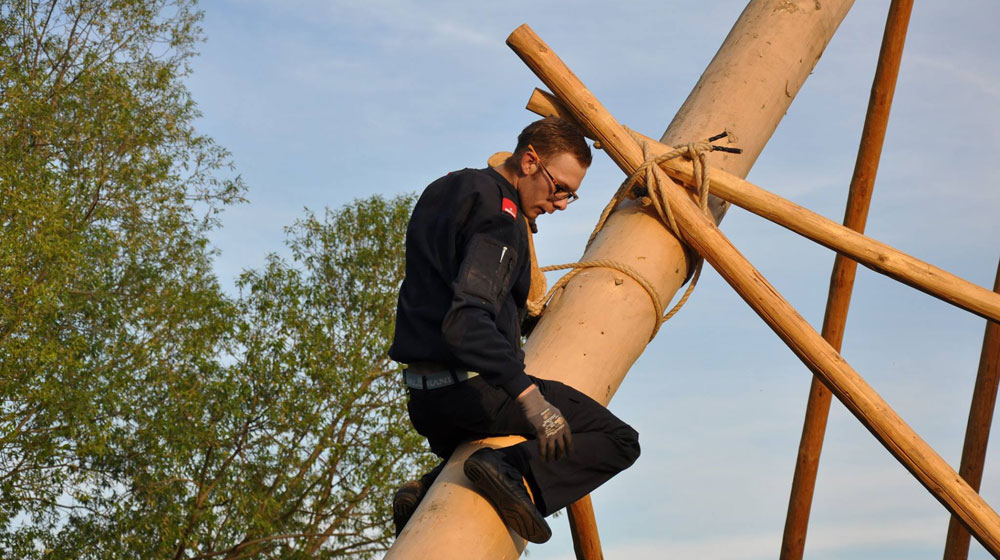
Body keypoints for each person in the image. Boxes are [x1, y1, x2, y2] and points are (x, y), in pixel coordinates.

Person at [389, 117, 640, 544]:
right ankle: (507, 468)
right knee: (618, 440)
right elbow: (467, 320)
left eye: (571, 196)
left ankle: (430, 486)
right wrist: (531, 400)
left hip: (424, 402)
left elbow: (447, 293)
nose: (561, 203)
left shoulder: (446, 188)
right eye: (560, 188)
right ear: (529, 162)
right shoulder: (501, 218)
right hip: (471, 395)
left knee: (482, 434)